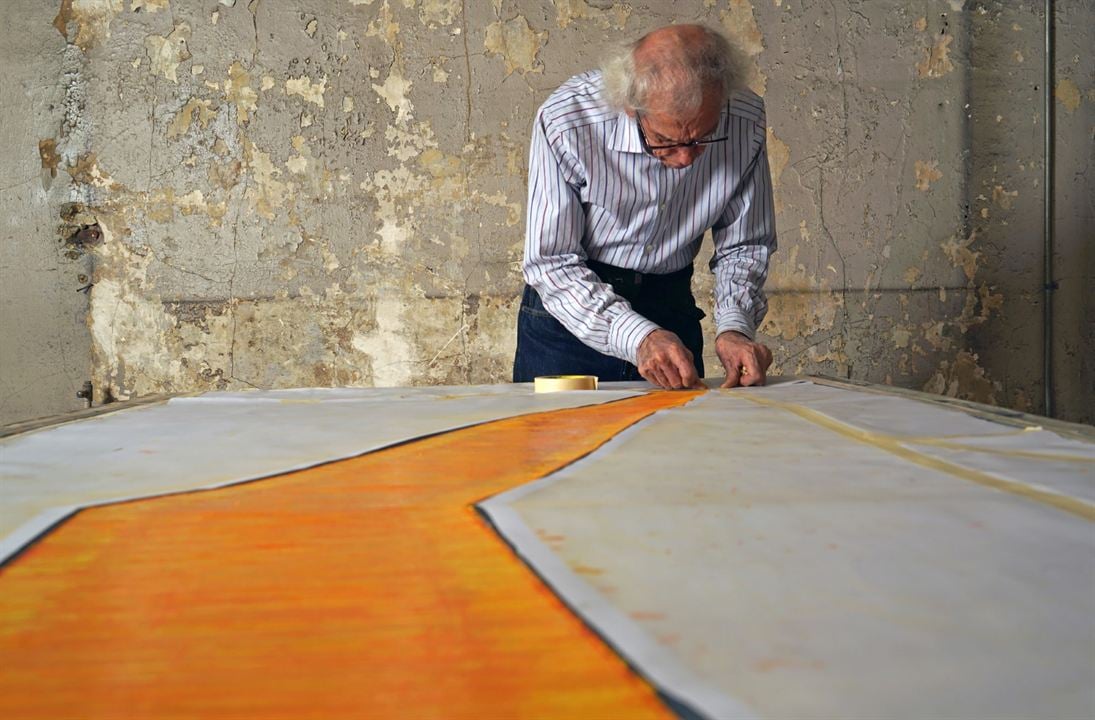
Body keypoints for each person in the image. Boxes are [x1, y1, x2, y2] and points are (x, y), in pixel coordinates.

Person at [512, 24, 776, 389]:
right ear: (631, 108)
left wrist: (735, 327)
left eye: (702, 138)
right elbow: (550, 262)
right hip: (570, 317)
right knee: (557, 445)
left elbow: (745, 245)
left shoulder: (745, 119)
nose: (685, 159)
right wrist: (639, 336)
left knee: (672, 444)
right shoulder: (568, 120)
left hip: (671, 306)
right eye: (665, 141)